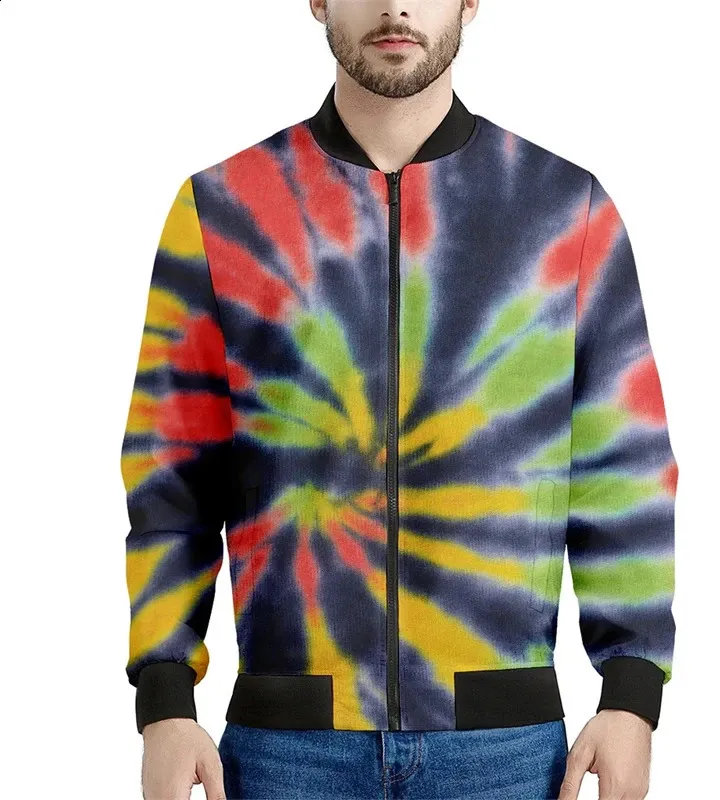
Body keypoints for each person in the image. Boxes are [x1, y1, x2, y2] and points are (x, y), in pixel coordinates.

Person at [120, 1, 678, 798]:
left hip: (504, 751)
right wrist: (165, 699)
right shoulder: (224, 210)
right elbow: (171, 470)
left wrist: (630, 694)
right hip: (288, 749)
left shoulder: (564, 211)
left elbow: (623, 467)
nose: (395, 5)